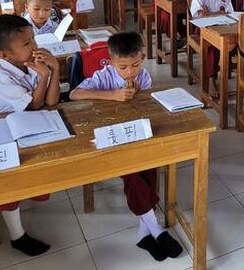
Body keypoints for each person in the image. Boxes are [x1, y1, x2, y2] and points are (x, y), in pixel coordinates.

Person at [70, 32, 183, 261]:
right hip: (109, 137)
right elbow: (74, 94)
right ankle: (156, 228)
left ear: (142, 57)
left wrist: (138, 93)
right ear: (111, 62)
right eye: (123, 67)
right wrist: (112, 95)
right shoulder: (103, 76)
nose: (130, 71)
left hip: (136, 131)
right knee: (131, 168)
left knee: (150, 163)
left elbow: (147, 104)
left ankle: (145, 231)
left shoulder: (145, 77)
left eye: (135, 65)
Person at [0, 14, 60, 256]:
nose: (34, 46)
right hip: (3, 129)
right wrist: (45, 75)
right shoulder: (0, 79)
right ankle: (17, 235)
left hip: (30, 124)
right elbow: (34, 106)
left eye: (33, 39)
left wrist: (55, 69)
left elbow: (50, 101)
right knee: (9, 181)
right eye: (26, 44)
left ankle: (30, 193)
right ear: (5, 55)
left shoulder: (30, 64)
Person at [191, 0, 234, 94]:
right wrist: (217, 14)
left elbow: (229, 14)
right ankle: (211, 78)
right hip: (204, 29)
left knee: (236, 41)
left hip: (222, 26)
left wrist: (209, 14)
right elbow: (198, 17)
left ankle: (230, 71)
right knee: (213, 47)